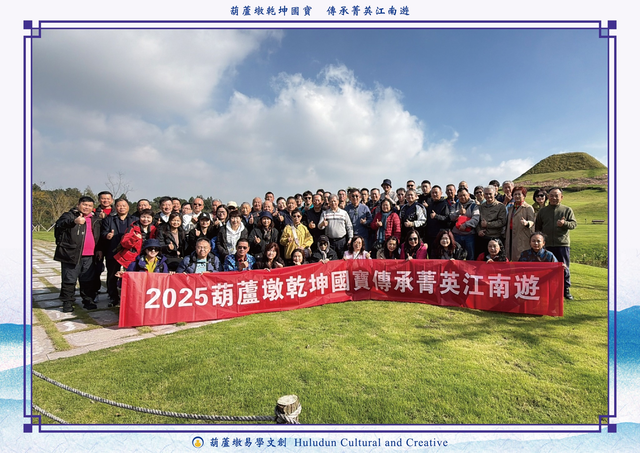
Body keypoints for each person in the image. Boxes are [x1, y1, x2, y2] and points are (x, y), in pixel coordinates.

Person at [54, 196, 102, 312]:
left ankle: (88, 300)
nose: (87, 207)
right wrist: (74, 222)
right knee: (69, 279)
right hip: (71, 253)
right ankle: (67, 302)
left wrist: (99, 250)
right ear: (78, 205)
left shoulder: (95, 219)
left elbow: (98, 235)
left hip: (90, 255)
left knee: (87, 279)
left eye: (90, 206)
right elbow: (60, 224)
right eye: (84, 205)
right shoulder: (69, 215)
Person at [534, 187, 577, 300]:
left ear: (561, 197)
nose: (553, 198)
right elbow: (538, 227)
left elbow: (573, 224)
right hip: (546, 244)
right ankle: (546, 288)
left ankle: (565, 290)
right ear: (548, 197)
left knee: (563, 267)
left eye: (556, 196)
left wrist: (564, 223)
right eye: (551, 195)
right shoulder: (543, 211)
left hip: (561, 244)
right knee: (546, 268)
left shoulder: (567, 210)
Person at [101, 198, 135, 306]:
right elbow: (103, 232)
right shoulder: (109, 219)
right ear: (115, 207)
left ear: (128, 206)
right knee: (112, 275)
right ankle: (113, 297)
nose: (122, 208)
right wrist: (107, 235)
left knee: (130, 275)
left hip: (129, 253)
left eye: (124, 205)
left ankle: (129, 297)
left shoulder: (134, 220)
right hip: (113, 251)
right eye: (119, 206)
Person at [504, 186, 535, 262]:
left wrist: (527, 223)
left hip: (522, 235)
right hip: (510, 235)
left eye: (519, 194)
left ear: (524, 196)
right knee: (510, 256)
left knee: (521, 258)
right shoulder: (511, 208)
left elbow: (532, 221)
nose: (517, 196)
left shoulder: (528, 208)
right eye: (515, 194)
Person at [476, 185, 507, 258]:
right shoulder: (481, 207)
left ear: (495, 194)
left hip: (496, 238)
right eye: (486, 194)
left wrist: (488, 224)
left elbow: (502, 222)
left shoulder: (501, 206)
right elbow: (477, 221)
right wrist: (479, 231)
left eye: (490, 194)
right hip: (483, 238)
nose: (488, 196)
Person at [449, 187, 479, 260]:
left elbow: (476, 219)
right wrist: (458, 212)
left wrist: (465, 225)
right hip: (456, 235)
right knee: (456, 257)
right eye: (460, 196)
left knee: (470, 257)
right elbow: (451, 217)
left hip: (469, 235)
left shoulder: (474, 206)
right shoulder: (454, 206)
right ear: (457, 197)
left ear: (468, 195)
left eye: (464, 195)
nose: (462, 197)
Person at [424, 185, 450, 256]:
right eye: (432, 193)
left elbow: (447, 219)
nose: (434, 194)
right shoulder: (430, 204)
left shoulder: (445, 204)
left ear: (441, 193)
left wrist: (436, 216)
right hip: (430, 236)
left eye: (436, 192)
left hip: (440, 237)